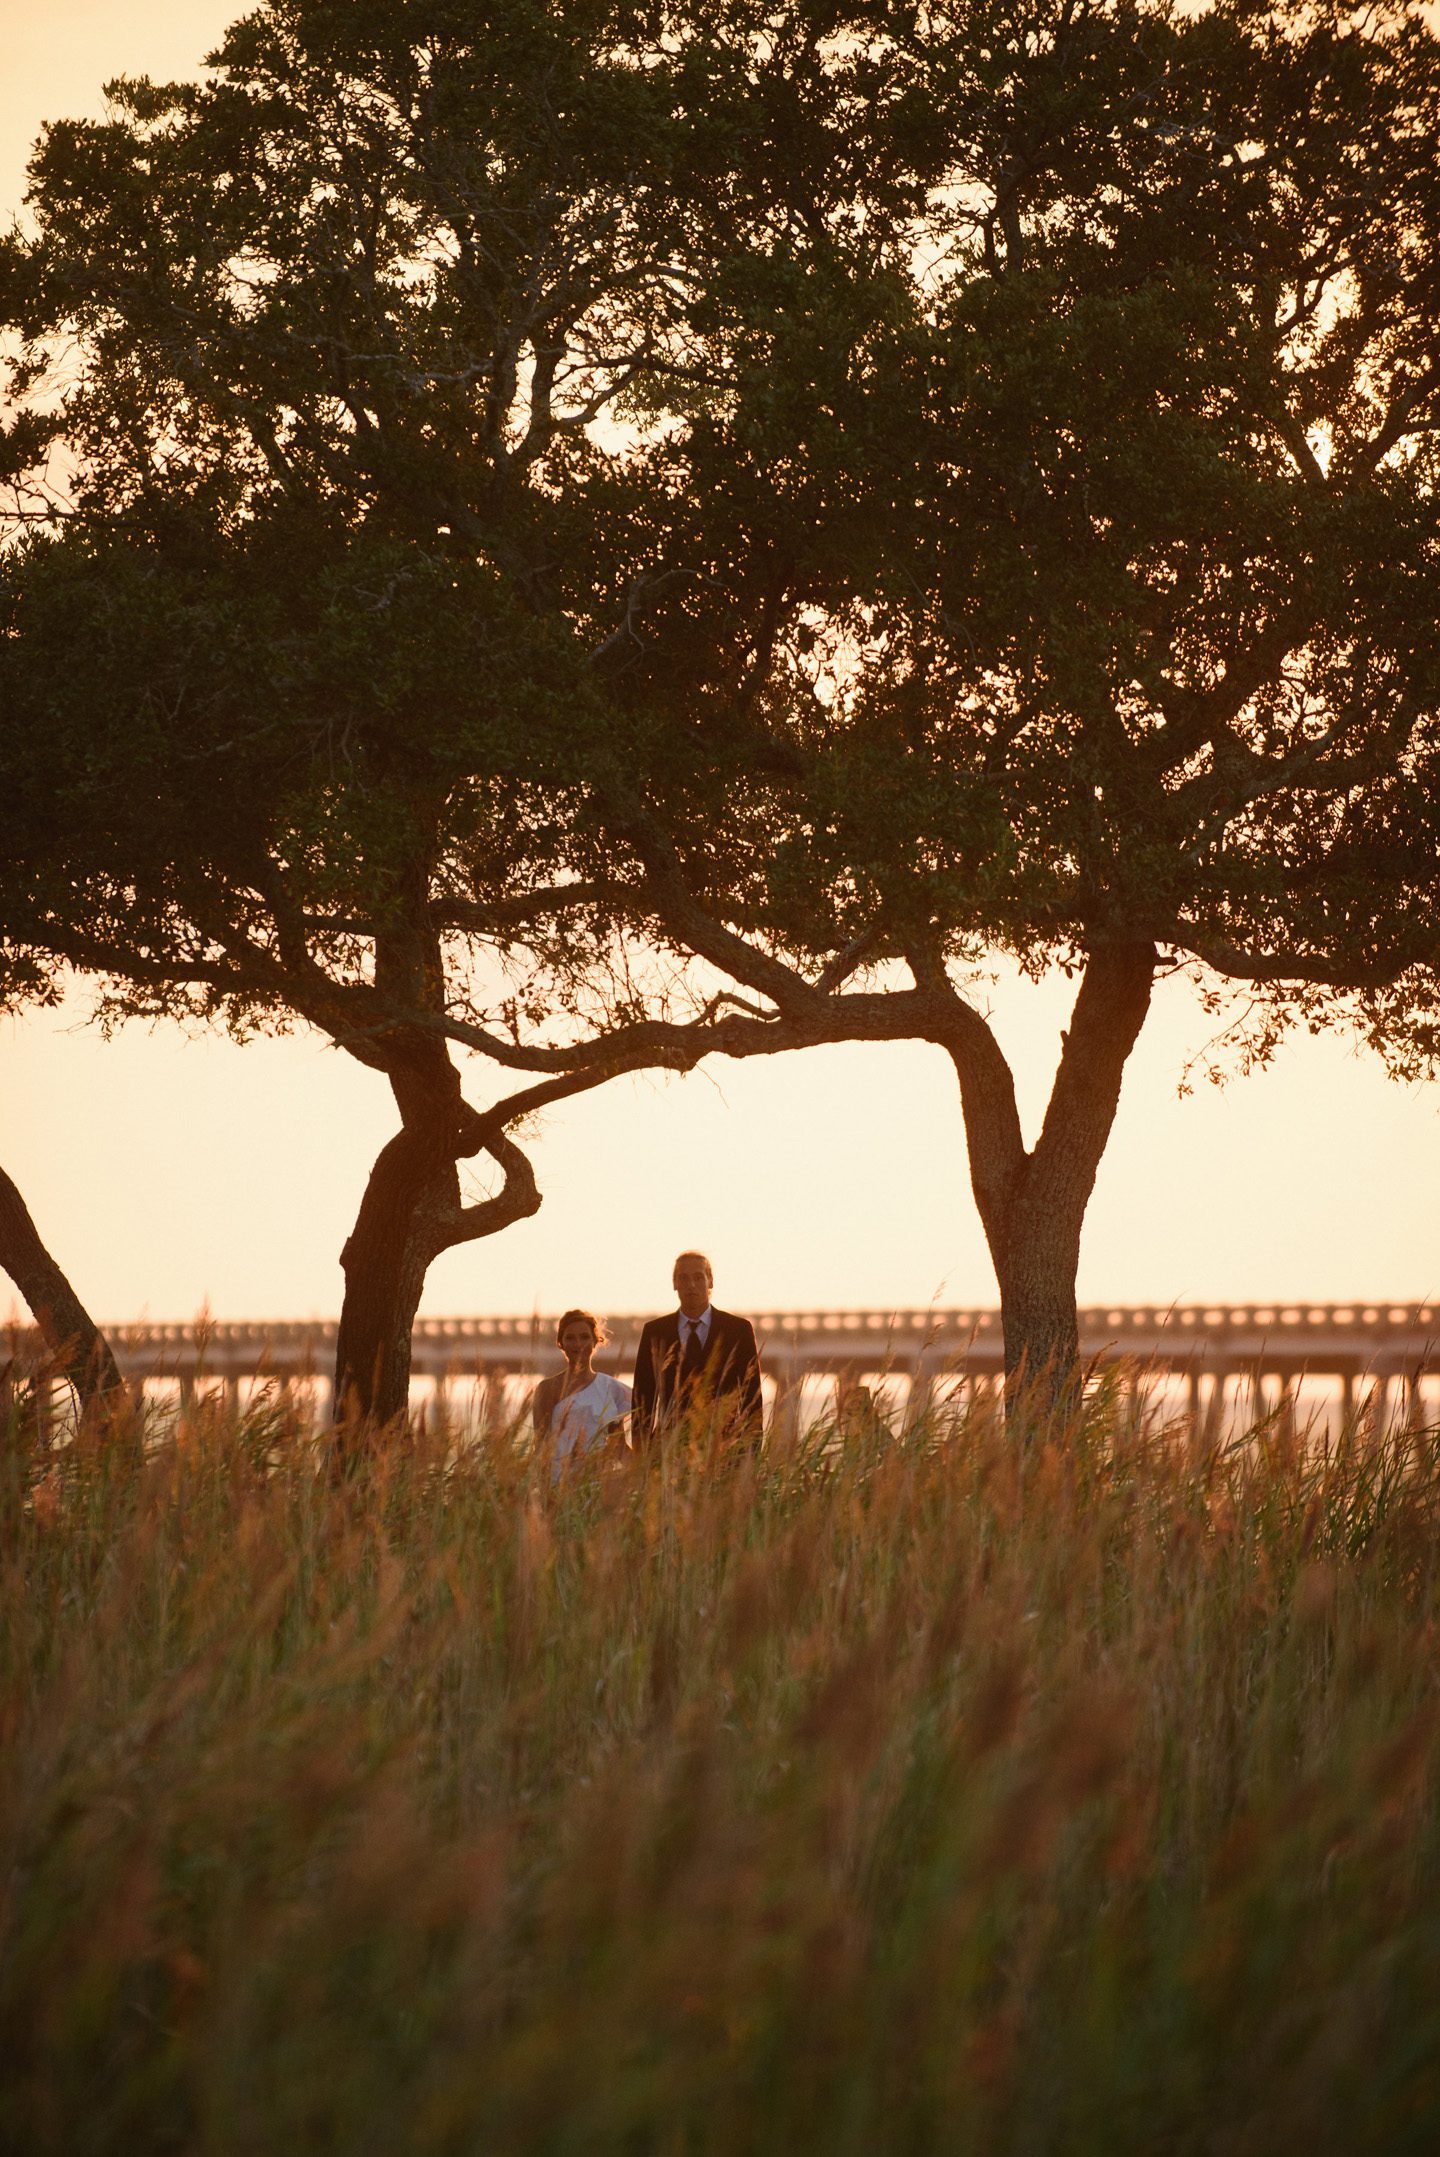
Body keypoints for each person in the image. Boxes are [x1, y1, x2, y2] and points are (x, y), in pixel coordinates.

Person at [631, 1251, 763, 1447]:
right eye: (683, 1278)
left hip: (723, 1449)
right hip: (669, 1451)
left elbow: (752, 1398)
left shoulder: (738, 1330)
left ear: (710, 1281)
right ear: (674, 1283)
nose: (691, 1285)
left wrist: (751, 1454)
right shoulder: (655, 1332)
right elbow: (642, 1400)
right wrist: (641, 1455)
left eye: (698, 1277)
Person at [530, 1309, 631, 1478]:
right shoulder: (547, 1388)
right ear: (560, 1343)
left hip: (598, 1481)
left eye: (584, 1337)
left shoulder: (609, 1388)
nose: (578, 1344)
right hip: (559, 1483)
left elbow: (619, 1447)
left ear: (595, 1341)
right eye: (570, 1338)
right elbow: (541, 1449)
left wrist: (650, 1469)